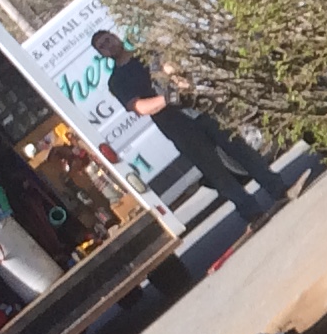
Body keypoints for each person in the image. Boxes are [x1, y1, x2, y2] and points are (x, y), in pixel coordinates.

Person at [91, 30, 278, 226]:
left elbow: (172, 70)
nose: (108, 45)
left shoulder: (147, 53)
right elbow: (139, 107)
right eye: (102, 46)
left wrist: (181, 83)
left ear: (116, 37)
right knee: (215, 171)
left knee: (240, 149)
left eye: (108, 39)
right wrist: (168, 98)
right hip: (176, 127)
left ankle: (278, 188)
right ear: (102, 54)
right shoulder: (117, 81)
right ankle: (253, 213)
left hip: (199, 110)